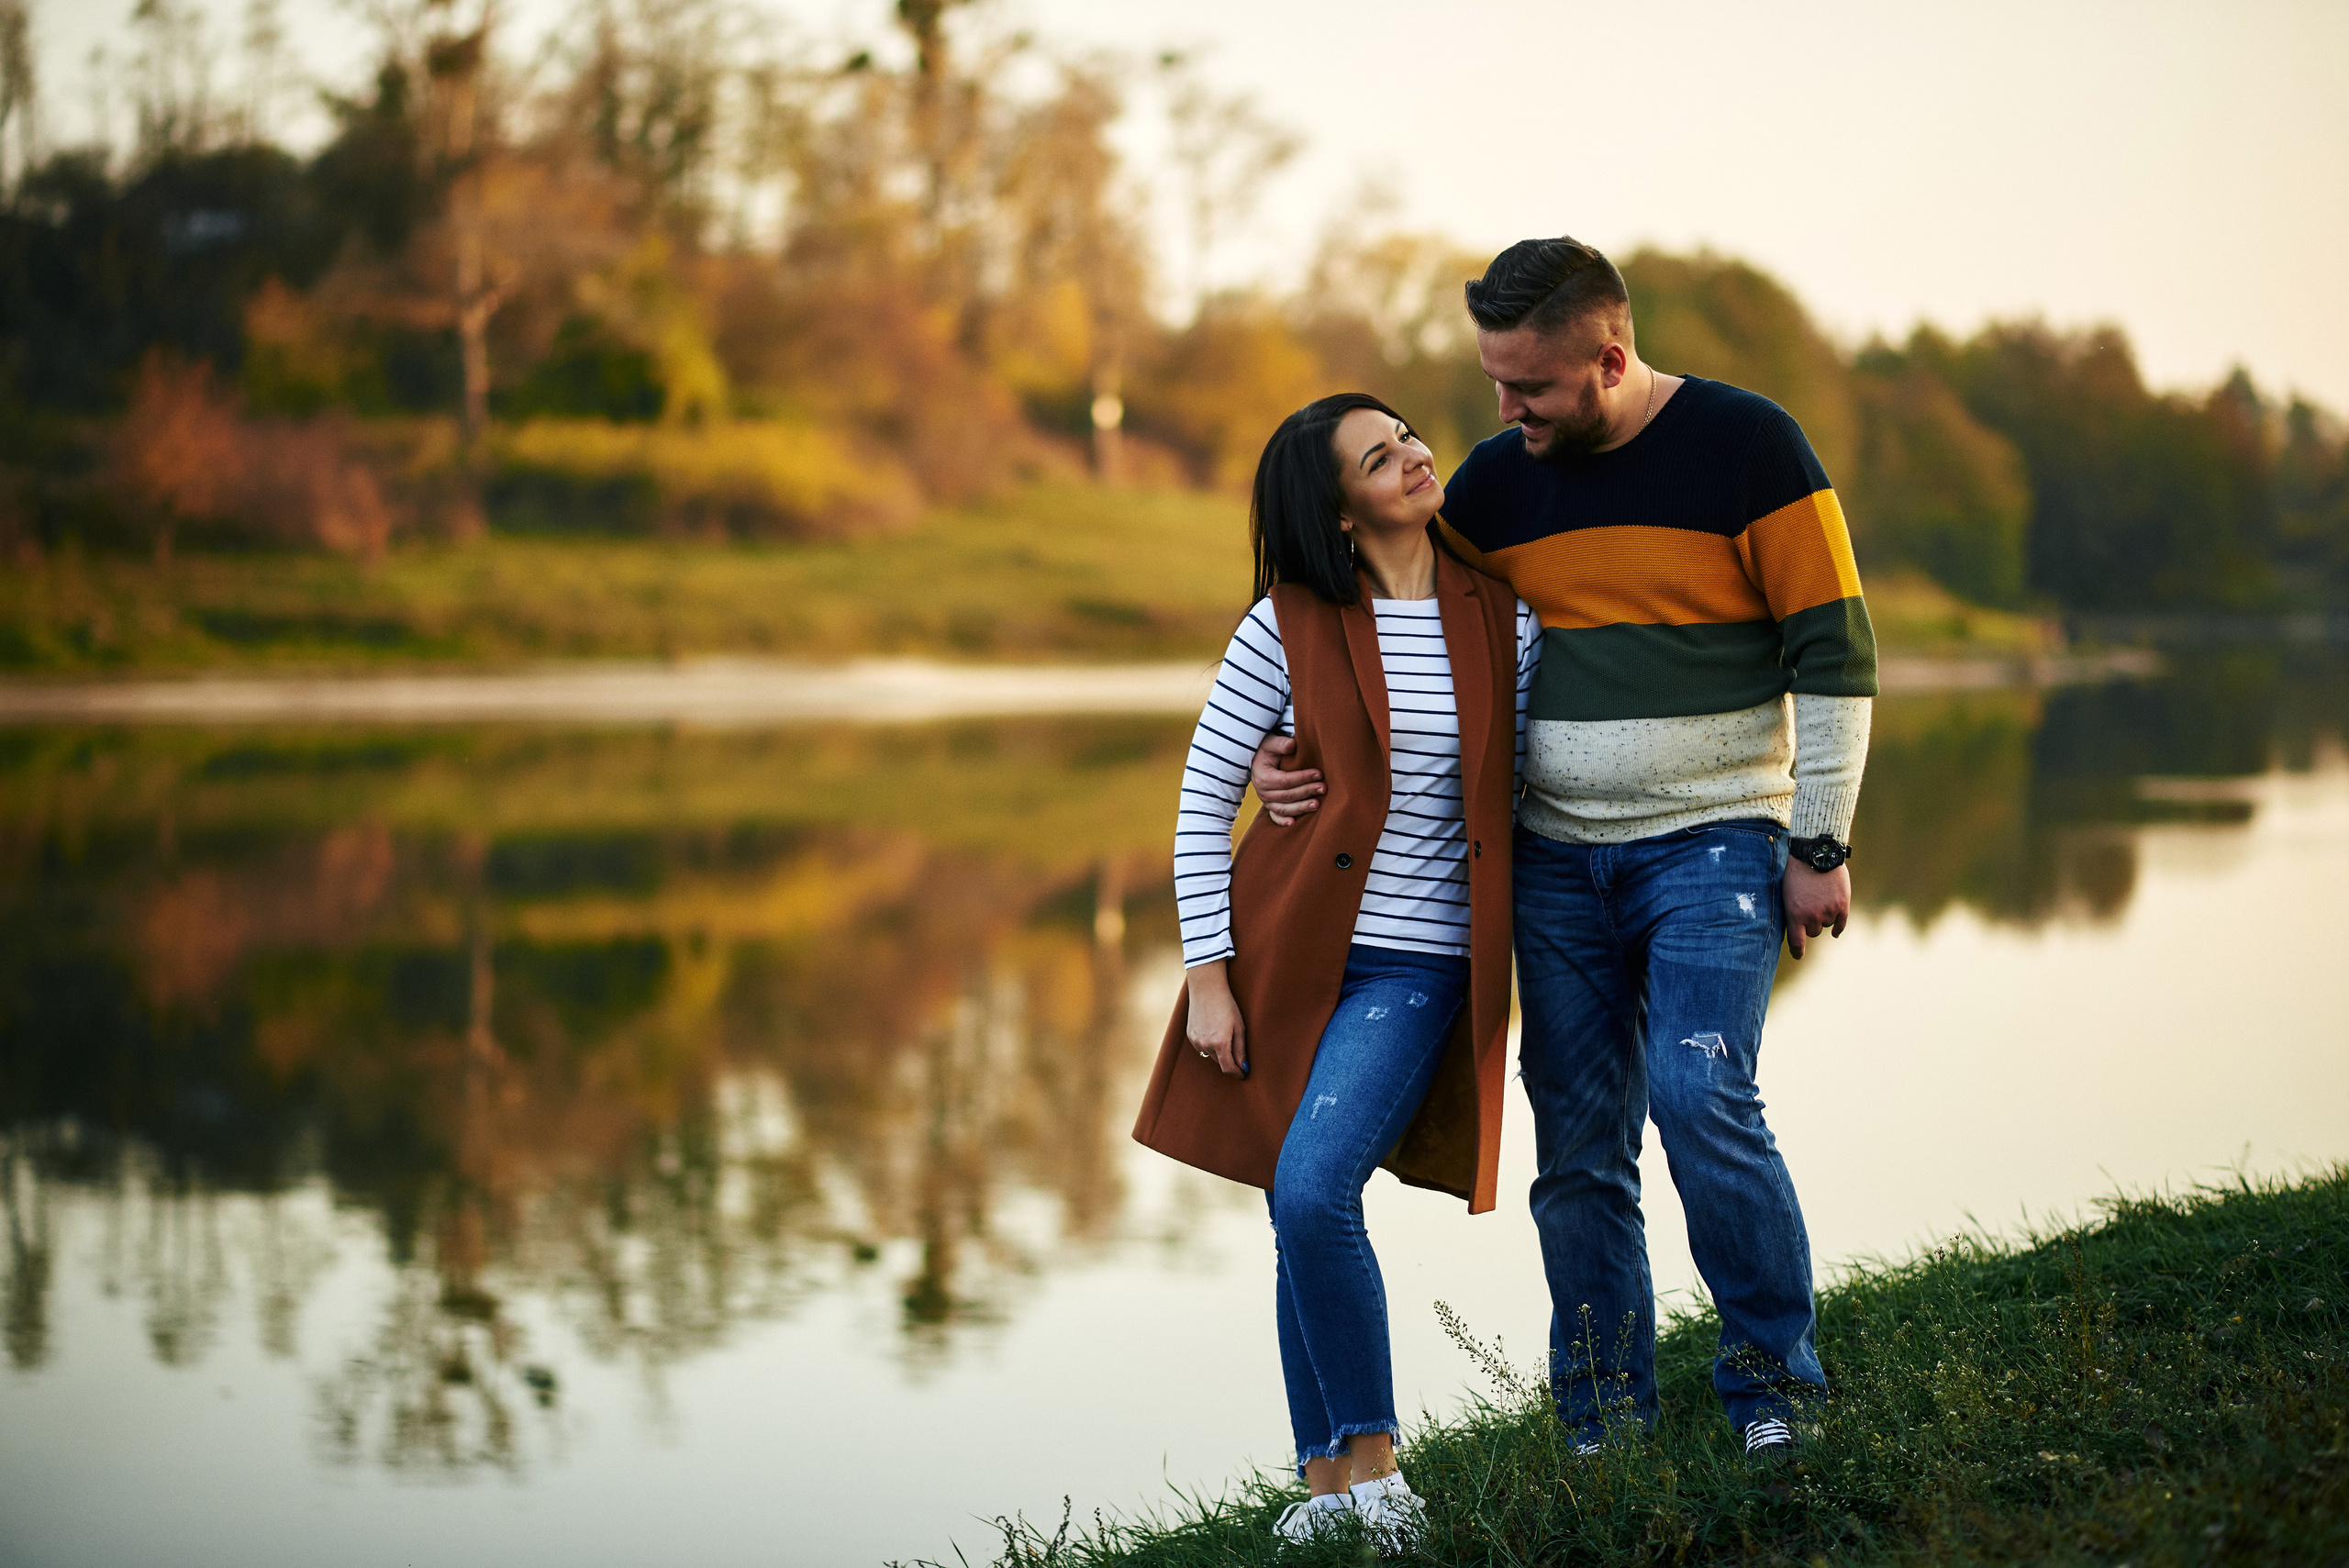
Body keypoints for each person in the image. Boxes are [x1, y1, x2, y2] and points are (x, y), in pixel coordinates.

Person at [1251, 237, 1876, 1466]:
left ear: (1609, 356)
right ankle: (1602, 1414)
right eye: (1493, 380)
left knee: (1702, 1093)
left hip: (1714, 845)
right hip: (1552, 864)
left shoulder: (1751, 447)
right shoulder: (1493, 483)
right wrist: (1286, 745)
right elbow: (1381, 614)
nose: (1503, 410)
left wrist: (1820, 837)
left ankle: (1770, 1380)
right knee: (1578, 1143)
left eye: (1528, 386)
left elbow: (1837, 653)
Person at [1131, 393, 1540, 1548]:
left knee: (1313, 1187)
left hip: (1420, 963)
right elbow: (1202, 801)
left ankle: (1379, 1475)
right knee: (1294, 1204)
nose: (1413, 456)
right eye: (1379, 456)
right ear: (1338, 507)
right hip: (1290, 951)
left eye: (1406, 436)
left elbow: (1514, 796)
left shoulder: (1502, 617)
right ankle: (1325, 1492)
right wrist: (1208, 974)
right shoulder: (1287, 621)